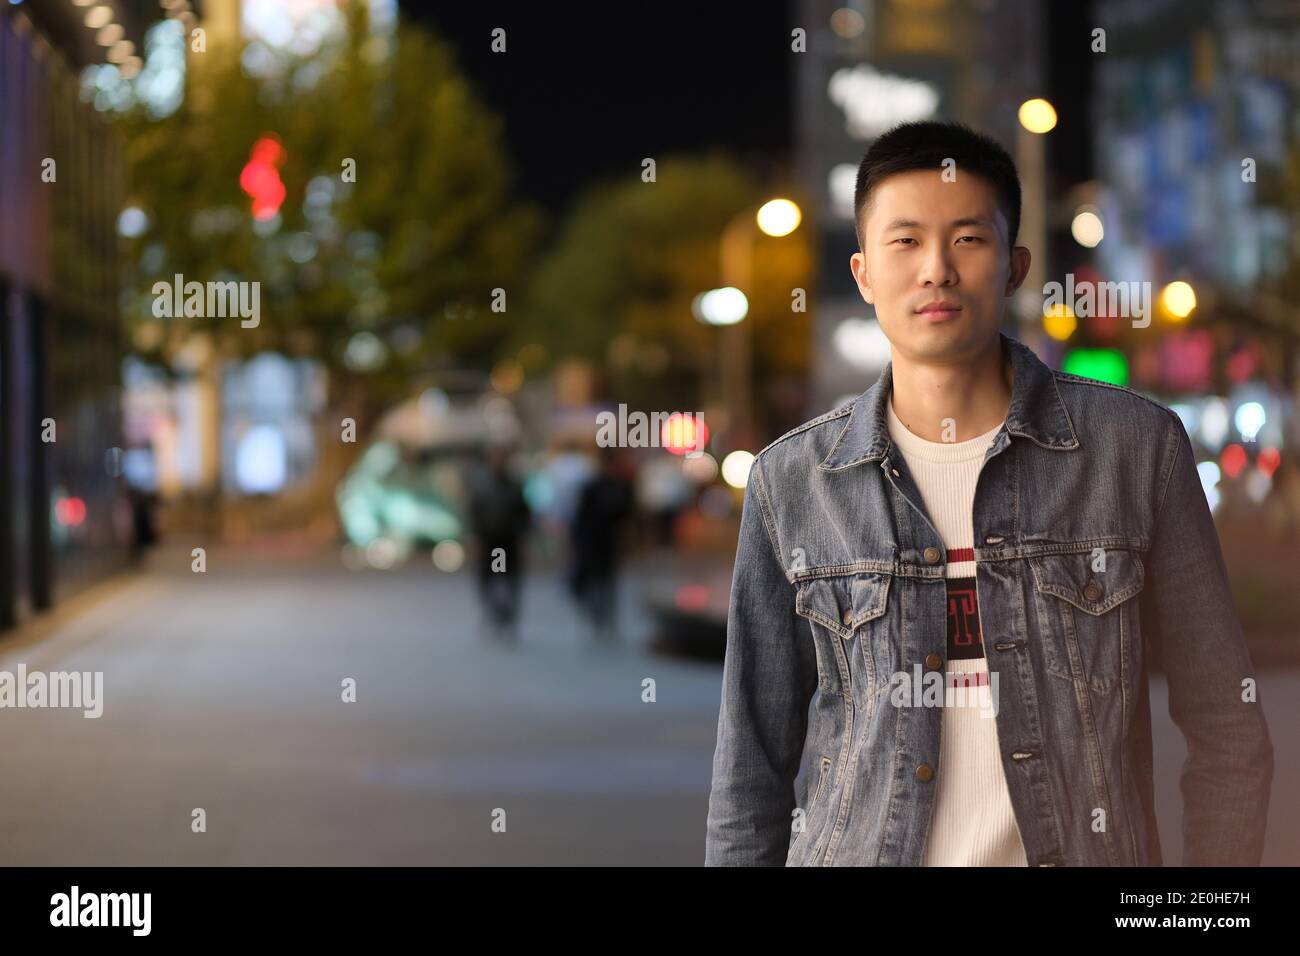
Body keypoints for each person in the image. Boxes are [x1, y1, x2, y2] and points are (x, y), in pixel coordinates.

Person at [705, 120, 1274, 867]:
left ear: (1014, 265)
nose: (936, 269)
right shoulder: (795, 481)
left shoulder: (1135, 451)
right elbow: (750, 772)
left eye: (968, 239)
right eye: (904, 241)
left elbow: (1227, 726)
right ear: (864, 273)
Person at [567, 444, 635, 640]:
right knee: (593, 580)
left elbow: (628, 517)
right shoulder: (592, 487)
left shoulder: (623, 487)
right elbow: (580, 518)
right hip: (591, 543)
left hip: (610, 544)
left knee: (607, 581)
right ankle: (597, 616)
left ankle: (605, 617)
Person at [466, 444, 530, 639]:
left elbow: (524, 515)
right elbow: (475, 515)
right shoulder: (484, 487)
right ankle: (495, 612)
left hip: (507, 543)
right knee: (492, 578)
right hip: (491, 543)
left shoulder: (514, 486)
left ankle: (506, 614)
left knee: (506, 579)